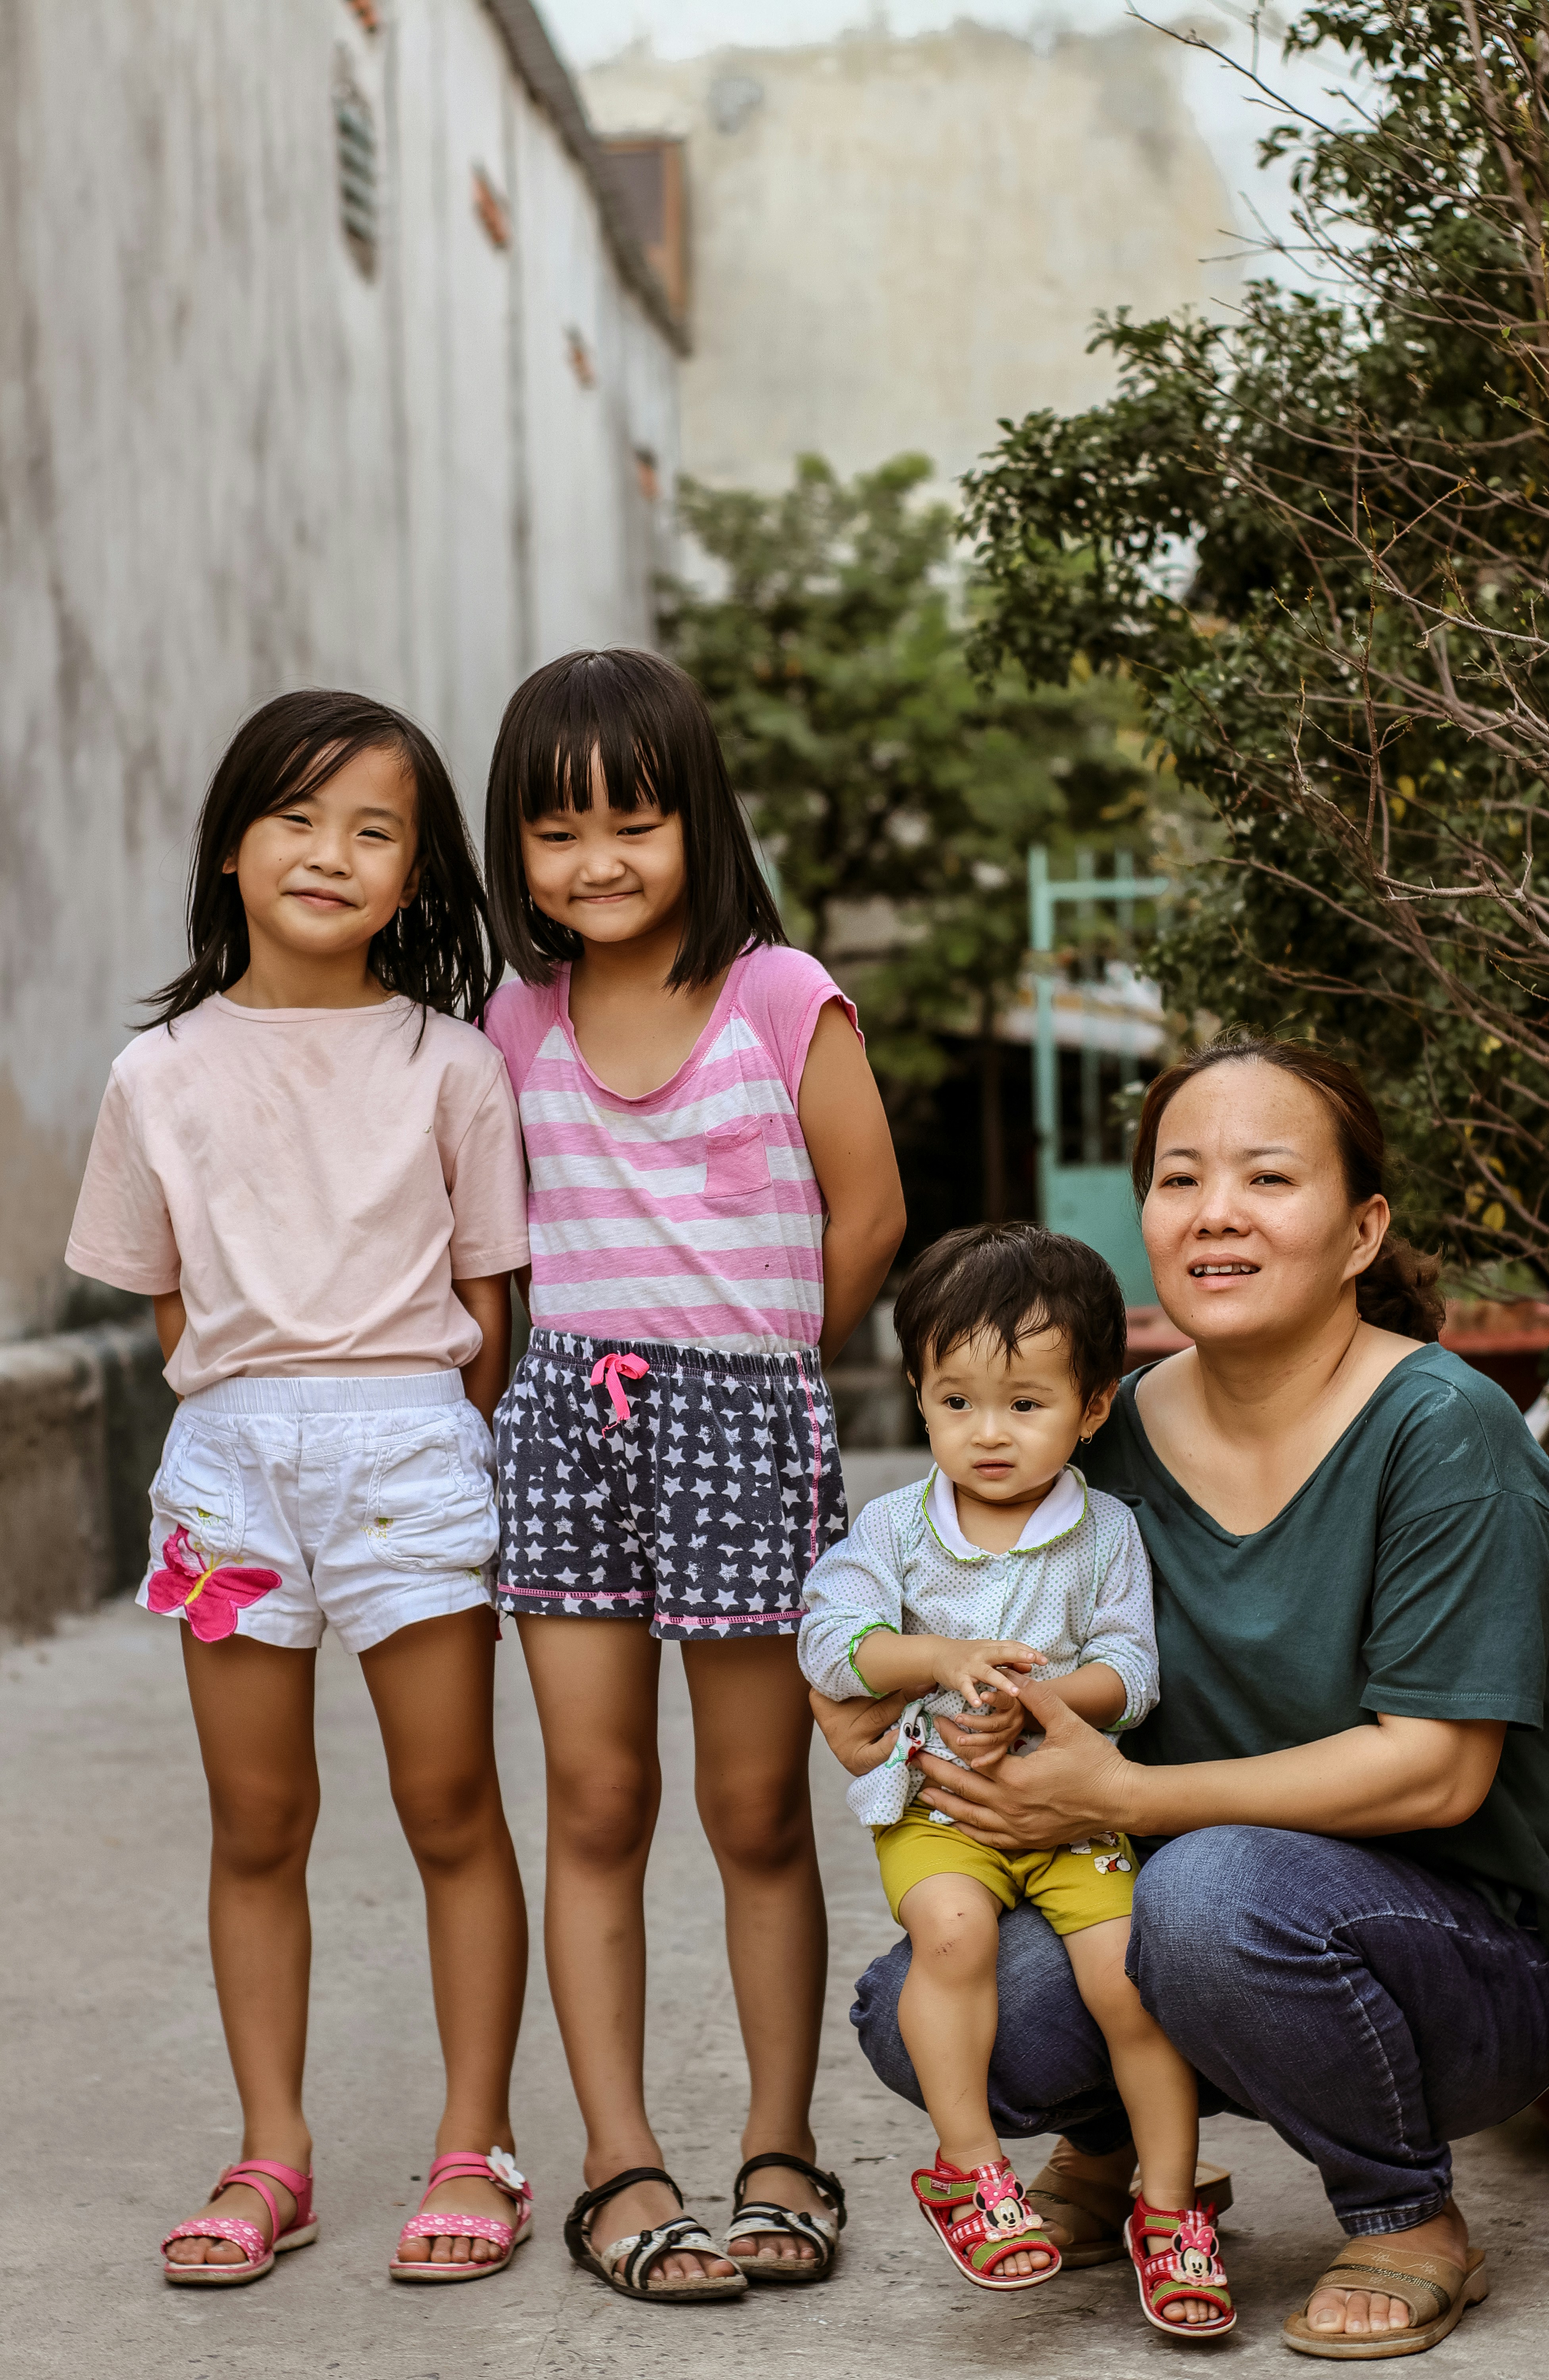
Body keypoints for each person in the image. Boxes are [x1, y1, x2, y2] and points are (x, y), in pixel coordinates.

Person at [813, 1037, 1549, 2360]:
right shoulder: (1092, 1436)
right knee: (924, 2003)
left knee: (1208, 1891)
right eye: (1181, 1177)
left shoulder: (1447, 1435)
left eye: (1268, 1177)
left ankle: (1405, 2215)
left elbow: (1438, 1773)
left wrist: (1118, 1794)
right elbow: (939, 1619)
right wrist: (890, 1713)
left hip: (1470, 1955)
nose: (1215, 1209)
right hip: (1192, 1931)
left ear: (1361, 1230)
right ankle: (1120, 2157)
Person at [66, 692, 535, 2288]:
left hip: (412, 1449)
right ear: (226, 845)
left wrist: (402, 1428)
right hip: (232, 1471)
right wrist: (268, 1412)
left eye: (375, 829)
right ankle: (274, 2152)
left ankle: (476, 2144)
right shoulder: (158, 1075)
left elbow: (493, 1312)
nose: (330, 853)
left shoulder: (450, 1065)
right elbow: (168, 1307)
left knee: (448, 1807)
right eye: (296, 817)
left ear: (415, 877)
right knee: (257, 1821)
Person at [480, 647, 906, 2301]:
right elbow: (490, 1241)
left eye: (634, 824)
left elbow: (862, 1213)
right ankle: (617, 2162)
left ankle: (781, 2147)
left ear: (694, 824)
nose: (597, 863)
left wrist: (771, 1367)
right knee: (595, 1799)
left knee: (752, 1811)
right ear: (516, 848)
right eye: (556, 831)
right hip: (565, 1428)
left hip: (749, 1420)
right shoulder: (513, 1020)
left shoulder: (783, 994)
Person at [798, 1225, 1235, 2331]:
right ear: (919, 1393)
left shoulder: (1105, 1536)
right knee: (951, 1938)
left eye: (1026, 1404)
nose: (988, 1434)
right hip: (941, 1804)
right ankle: (971, 2170)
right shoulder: (897, 1528)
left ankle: (1171, 2207)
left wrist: (1047, 1700)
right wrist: (938, 1661)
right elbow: (830, 1640)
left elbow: (1132, 1673)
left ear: (1093, 1407)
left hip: (1074, 1805)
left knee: (1129, 1982)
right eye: (957, 1403)